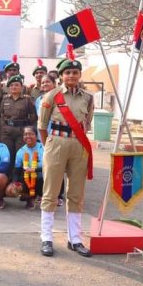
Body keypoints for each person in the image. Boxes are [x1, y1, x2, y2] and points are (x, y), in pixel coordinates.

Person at [38, 47, 94, 257]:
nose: (71, 76)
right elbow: (42, 127)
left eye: (75, 73)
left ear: (80, 75)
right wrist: (50, 147)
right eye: (67, 73)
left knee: (76, 194)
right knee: (51, 192)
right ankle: (46, 238)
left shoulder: (88, 98)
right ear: (61, 76)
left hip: (78, 145)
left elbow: (87, 123)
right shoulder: (51, 96)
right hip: (56, 143)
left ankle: (75, 239)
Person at [0, 74, 37, 180]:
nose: (14, 87)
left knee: (20, 155)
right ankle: (7, 178)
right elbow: (1, 114)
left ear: (21, 87)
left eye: (16, 85)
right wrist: (3, 127)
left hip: (21, 131)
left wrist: (26, 126)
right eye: (11, 85)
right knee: (8, 154)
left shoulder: (26, 100)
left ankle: (19, 180)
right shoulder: (5, 99)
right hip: (7, 131)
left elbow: (33, 115)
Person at [36, 74, 65, 205]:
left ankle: (58, 195)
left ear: (55, 83)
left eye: (48, 82)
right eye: (42, 83)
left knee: (57, 166)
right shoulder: (39, 100)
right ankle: (44, 194)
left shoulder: (60, 98)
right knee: (46, 167)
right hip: (42, 136)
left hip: (56, 135)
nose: (45, 85)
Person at [13, 126, 45, 209]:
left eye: (31, 134)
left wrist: (34, 169)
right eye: (25, 134)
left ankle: (44, 197)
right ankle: (29, 197)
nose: (28, 136)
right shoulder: (21, 151)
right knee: (13, 188)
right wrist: (15, 183)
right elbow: (17, 170)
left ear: (36, 135)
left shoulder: (43, 147)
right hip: (27, 178)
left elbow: (48, 165)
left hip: (42, 177)